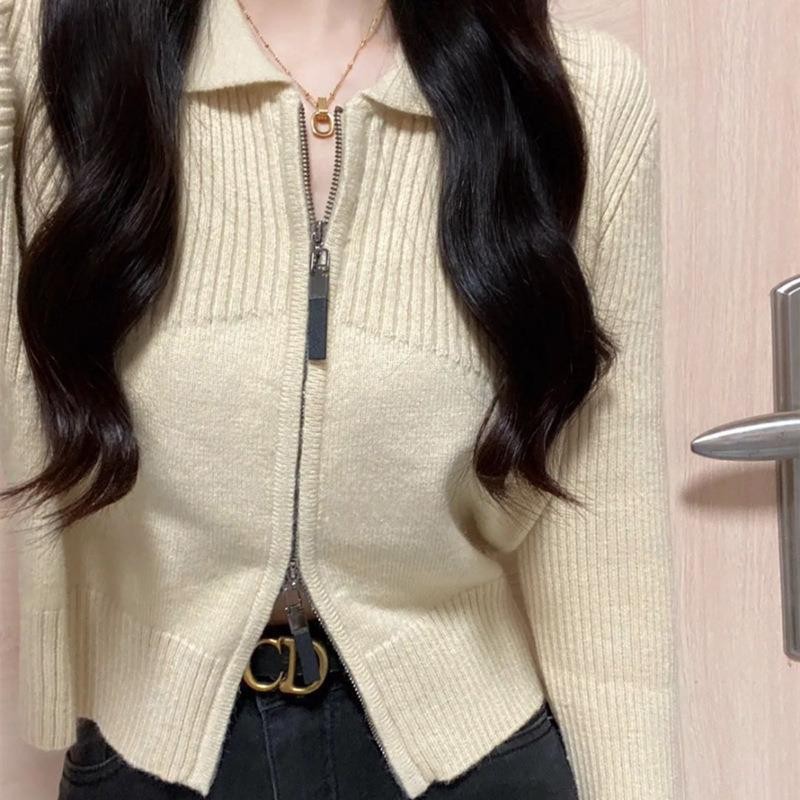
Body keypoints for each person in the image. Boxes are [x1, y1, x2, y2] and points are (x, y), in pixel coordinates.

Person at [0, 0, 678, 798]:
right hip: (151, 750)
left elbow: (607, 529)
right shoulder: (56, 51)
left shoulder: (576, 96)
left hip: (470, 755)